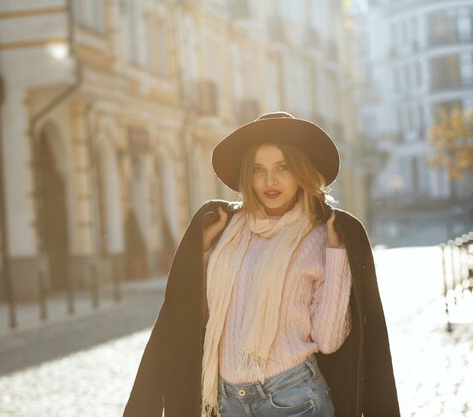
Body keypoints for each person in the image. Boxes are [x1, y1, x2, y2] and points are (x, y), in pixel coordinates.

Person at [123, 111, 400, 417]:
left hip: (295, 399)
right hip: (225, 401)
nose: (270, 180)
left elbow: (329, 340)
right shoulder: (224, 230)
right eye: (258, 169)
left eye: (283, 167)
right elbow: (192, 317)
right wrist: (202, 253)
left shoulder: (324, 236)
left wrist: (336, 256)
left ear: (301, 171)